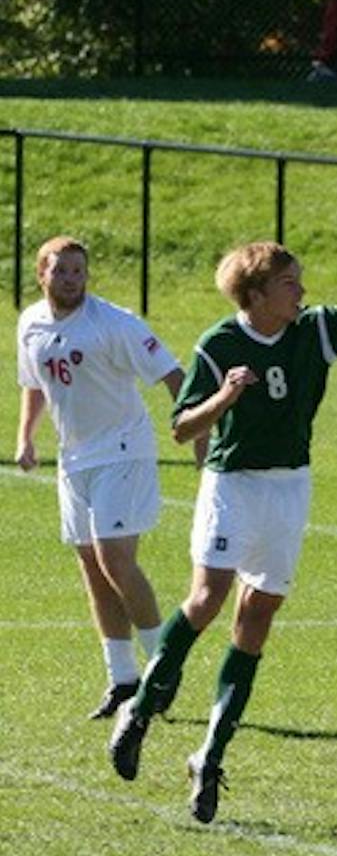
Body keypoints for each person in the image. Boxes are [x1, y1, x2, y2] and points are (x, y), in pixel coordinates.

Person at [108, 241, 337, 824]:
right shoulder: (220, 344)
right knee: (208, 597)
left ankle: (209, 755)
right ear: (255, 296)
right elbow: (181, 430)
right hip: (232, 484)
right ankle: (141, 711)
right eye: (288, 284)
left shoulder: (315, 329)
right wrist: (225, 396)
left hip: (289, 487)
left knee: (257, 618)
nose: (301, 291)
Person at [14, 235, 195, 720]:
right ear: (41, 274)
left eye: (78, 271)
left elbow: (174, 376)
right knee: (92, 568)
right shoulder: (30, 323)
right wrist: (26, 438)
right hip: (74, 461)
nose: (71, 279)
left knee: (116, 560)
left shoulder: (115, 324)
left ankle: (163, 670)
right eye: (61, 271)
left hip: (123, 451)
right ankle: (122, 679)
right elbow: (34, 384)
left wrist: (197, 430)